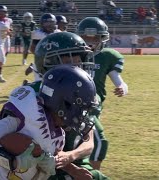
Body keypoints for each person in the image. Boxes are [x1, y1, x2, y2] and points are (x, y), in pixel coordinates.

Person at [0, 65, 97, 180]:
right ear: (63, 103)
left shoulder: (59, 133)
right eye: (80, 108)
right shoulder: (25, 115)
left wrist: (72, 170)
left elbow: (49, 156)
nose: (81, 115)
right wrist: (12, 161)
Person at [32, 32, 108, 179]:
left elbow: (89, 141)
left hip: (77, 163)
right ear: (47, 63)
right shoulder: (31, 95)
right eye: (69, 61)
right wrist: (69, 166)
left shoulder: (85, 91)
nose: (78, 66)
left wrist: (71, 156)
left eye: (79, 60)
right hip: (41, 169)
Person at [77, 17, 128, 170]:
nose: (90, 41)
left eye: (95, 37)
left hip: (94, 105)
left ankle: (86, 171)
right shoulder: (72, 52)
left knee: (85, 139)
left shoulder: (107, 56)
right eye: (86, 37)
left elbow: (118, 79)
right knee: (98, 141)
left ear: (102, 38)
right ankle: (92, 174)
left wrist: (122, 88)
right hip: (72, 103)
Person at [25, 13, 60, 81]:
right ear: (42, 24)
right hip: (41, 59)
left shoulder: (58, 33)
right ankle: (33, 66)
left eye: (51, 23)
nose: (49, 25)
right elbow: (32, 48)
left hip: (56, 59)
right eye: (47, 23)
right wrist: (40, 55)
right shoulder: (38, 34)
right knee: (40, 80)